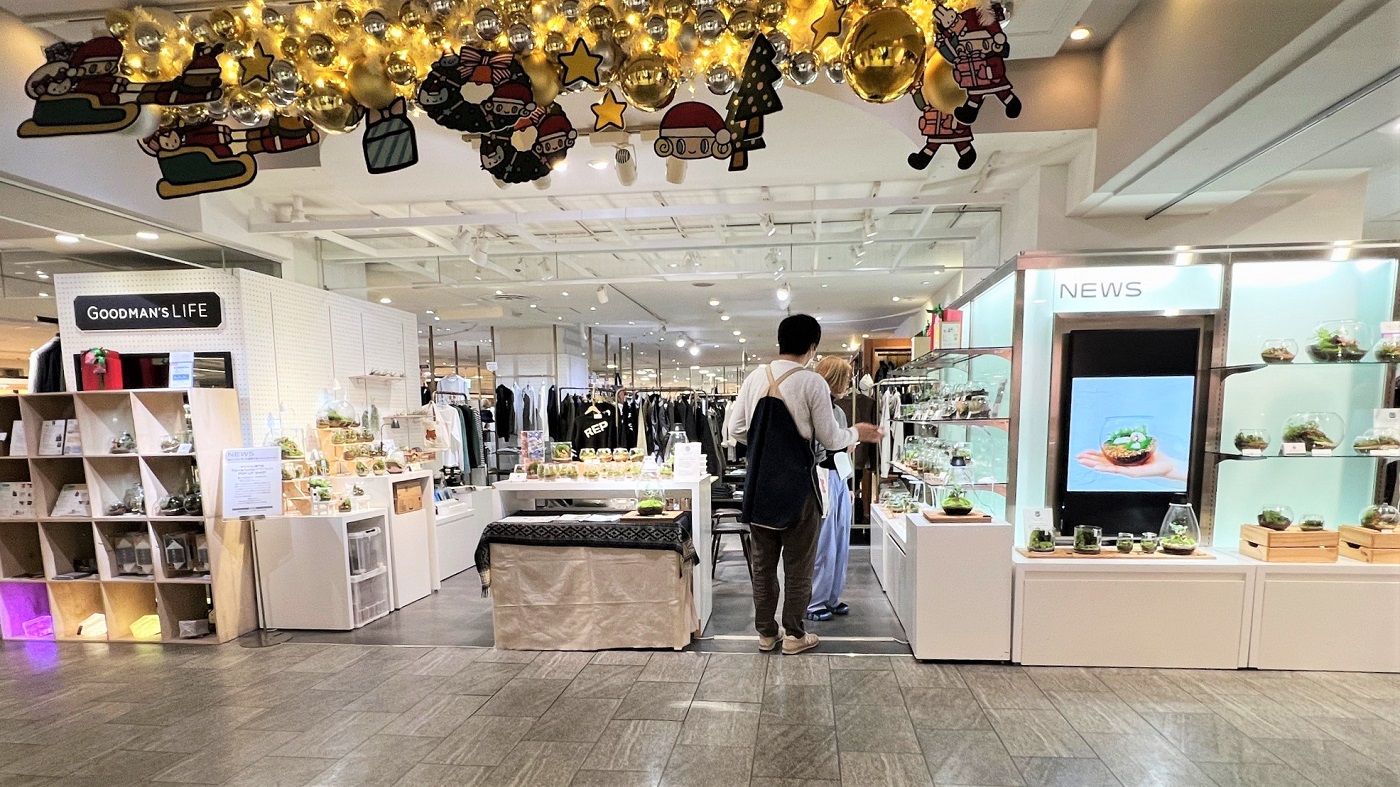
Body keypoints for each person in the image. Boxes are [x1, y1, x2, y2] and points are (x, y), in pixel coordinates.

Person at [725, 315, 882, 655]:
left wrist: (765, 445)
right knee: (799, 567)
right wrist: (857, 432)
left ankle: (766, 633)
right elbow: (831, 438)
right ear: (812, 347)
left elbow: (735, 430)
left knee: (763, 567)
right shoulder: (812, 383)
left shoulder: (754, 378)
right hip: (799, 489)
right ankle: (795, 635)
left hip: (758, 489)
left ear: (779, 341)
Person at [807, 356, 855, 622]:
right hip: (821, 475)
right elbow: (817, 447)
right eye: (845, 378)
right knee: (824, 541)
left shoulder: (838, 410)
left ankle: (832, 595)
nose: (848, 383)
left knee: (840, 538)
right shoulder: (816, 405)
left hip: (838, 475)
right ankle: (814, 600)